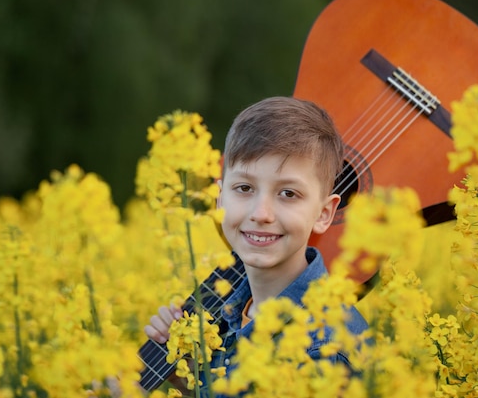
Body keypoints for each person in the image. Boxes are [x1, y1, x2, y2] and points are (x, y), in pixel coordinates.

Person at [144, 96, 368, 395]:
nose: (261, 213)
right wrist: (190, 382)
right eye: (245, 188)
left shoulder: (321, 351)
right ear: (220, 198)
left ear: (324, 213)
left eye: (288, 193)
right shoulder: (225, 305)